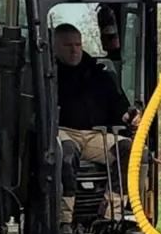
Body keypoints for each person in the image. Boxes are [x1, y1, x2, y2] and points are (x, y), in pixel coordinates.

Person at [52, 22, 136, 164]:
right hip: (63, 133)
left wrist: (127, 115)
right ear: (54, 48)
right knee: (66, 153)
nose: (74, 50)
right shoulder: (46, 76)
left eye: (78, 45)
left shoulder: (99, 74)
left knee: (133, 152)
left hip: (96, 134)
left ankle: (117, 187)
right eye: (67, 46)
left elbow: (117, 103)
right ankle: (67, 187)